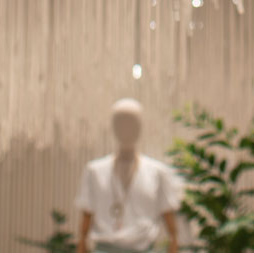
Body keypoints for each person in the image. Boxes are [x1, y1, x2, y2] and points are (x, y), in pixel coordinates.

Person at [75, 99, 181, 253]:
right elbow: (86, 215)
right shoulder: (94, 171)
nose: (126, 129)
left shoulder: (158, 172)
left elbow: (169, 218)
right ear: (113, 127)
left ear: (140, 127)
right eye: (120, 123)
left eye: (132, 123)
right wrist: (81, 244)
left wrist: (174, 242)